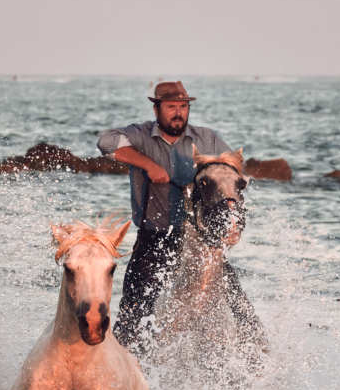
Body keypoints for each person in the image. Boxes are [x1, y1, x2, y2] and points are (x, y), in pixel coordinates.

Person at [96, 81, 239, 351]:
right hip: (154, 239)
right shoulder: (139, 136)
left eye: (183, 107)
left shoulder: (207, 139)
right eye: (171, 107)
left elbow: (231, 174)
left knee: (238, 304)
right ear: (156, 108)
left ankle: (254, 359)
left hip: (202, 242)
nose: (178, 113)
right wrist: (148, 165)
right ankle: (127, 369)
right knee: (132, 314)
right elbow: (105, 142)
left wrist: (232, 221)